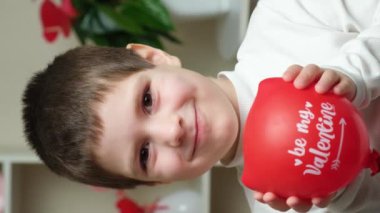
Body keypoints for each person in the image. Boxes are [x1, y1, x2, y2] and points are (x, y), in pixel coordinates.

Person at [22, 0, 380, 212]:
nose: (170, 131)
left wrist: (356, 74)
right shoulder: (281, 206)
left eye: (147, 100)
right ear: (156, 181)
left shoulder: (286, 16)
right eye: (145, 154)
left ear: (154, 58)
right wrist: (343, 194)